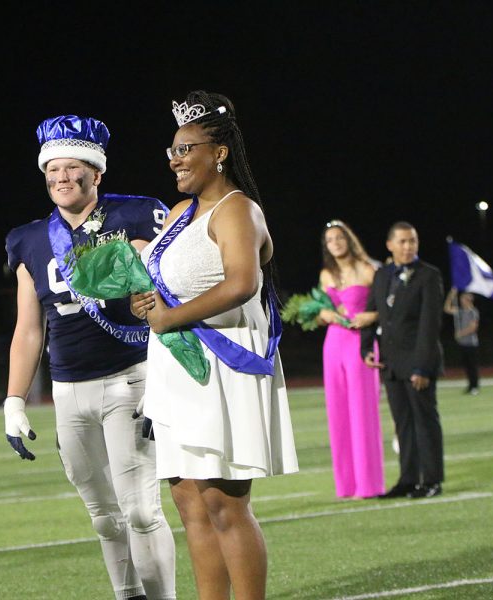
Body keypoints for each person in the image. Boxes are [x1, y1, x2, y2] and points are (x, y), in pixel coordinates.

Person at [132, 91, 298, 600]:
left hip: (221, 367)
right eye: (171, 151)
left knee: (225, 505)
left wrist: (168, 317)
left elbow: (241, 282)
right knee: (190, 506)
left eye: (185, 149)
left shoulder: (237, 208)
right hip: (176, 371)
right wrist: (143, 296)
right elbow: (173, 286)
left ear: (218, 152)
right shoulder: (182, 211)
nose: (174, 160)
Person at [4, 115, 176, 600]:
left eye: (73, 167)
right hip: (69, 390)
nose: (62, 178)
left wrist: (164, 377)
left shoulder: (139, 215)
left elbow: (166, 296)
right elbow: (28, 329)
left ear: (96, 172)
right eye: (52, 169)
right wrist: (14, 400)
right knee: (104, 518)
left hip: (132, 378)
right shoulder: (29, 239)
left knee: (141, 509)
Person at [361, 222, 444, 499]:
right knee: (403, 424)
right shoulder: (382, 275)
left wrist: (422, 366)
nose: (409, 247)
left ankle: (431, 480)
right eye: (403, 242)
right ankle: (408, 479)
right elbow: (373, 314)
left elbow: (429, 326)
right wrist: (367, 348)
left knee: (425, 422)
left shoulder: (429, 275)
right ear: (390, 245)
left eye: (413, 241)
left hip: (417, 362)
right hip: (391, 363)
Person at [316, 220, 384, 499]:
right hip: (333, 343)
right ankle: (346, 485)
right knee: (338, 414)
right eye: (330, 239)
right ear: (327, 246)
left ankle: (369, 485)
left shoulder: (369, 270)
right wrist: (326, 315)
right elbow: (318, 312)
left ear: (349, 239)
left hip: (360, 343)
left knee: (362, 412)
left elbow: (385, 308)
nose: (335, 242)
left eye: (339, 237)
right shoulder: (325, 275)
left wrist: (372, 316)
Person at [443, 288, 480, 395]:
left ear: (469, 300)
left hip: (471, 343)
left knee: (472, 366)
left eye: (463, 299)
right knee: (467, 366)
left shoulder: (473, 311)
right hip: (463, 343)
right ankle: (470, 385)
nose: (461, 301)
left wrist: (461, 333)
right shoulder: (460, 311)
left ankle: (475, 386)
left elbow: (473, 327)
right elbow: (447, 308)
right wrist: (451, 295)